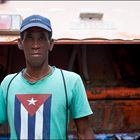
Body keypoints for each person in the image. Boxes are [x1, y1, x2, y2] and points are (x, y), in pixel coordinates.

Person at [0, 15, 94, 139]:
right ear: (20, 43)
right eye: (29, 38)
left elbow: (85, 132)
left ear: (51, 43)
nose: (35, 45)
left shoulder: (71, 81)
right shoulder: (8, 83)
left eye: (41, 38)